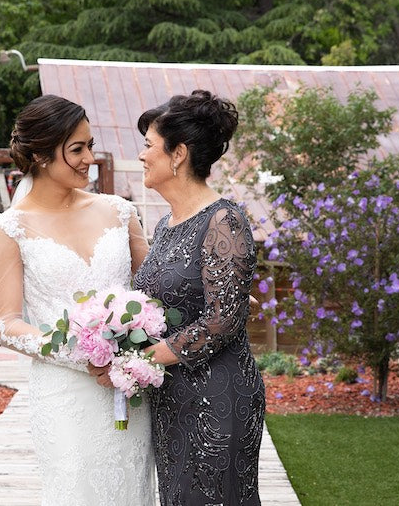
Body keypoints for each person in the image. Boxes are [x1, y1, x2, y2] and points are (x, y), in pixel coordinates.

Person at [0, 95, 155, 506]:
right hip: (64, 396)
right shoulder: (8, 231)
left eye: (90, 145)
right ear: (41, 154)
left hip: (129, 389)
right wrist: (84, 354)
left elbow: (154, 290)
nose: (89, 159)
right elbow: (7, 324)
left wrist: (132, 346)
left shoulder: (120, 212)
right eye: (77, 149)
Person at [133, 90, 266, 505]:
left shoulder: (224, 220)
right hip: (172, 396)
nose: (142, 156)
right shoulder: (166, 226)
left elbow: (222, 321)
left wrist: (140, 359)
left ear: (178, 154)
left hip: (215, 396)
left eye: (149, 145)